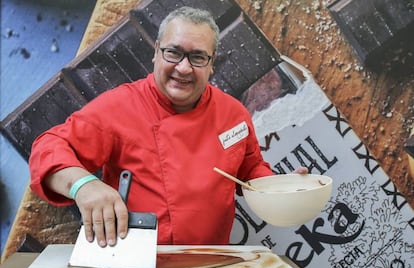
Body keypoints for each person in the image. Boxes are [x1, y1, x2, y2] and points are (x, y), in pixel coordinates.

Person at [29, 6, 306, 248]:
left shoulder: (233, 113)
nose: (183, 68)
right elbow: (48, 148)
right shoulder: (119, 107)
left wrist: (276, 188)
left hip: (209, 263)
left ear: (211, 63)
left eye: (198, 57)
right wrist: (84, 186)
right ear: (156, 53)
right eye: (173, 53)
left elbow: (249, 168)